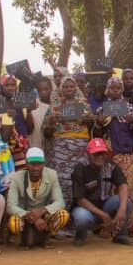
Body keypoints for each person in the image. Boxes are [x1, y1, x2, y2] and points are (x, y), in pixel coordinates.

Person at [95, 76, 133, 230]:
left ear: (122, 90)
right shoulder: (102, 109)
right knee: (108, 186)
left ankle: (128, 224)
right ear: (108, 90)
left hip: (128, 154)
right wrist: (99, 123)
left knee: (129, 187)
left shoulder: (130, 108)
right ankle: (109, 224)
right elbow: (97, 134)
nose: (115, 90)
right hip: (109, 153)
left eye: (118, 88)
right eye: (112, 88)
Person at [70, 137, 133, 246]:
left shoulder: (110, 165)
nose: (100, 157)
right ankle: (81, 235)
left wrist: (122, 209)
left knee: (125, 202)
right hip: (87, 209)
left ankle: (121, 235)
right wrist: (103, 215)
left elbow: (123, 185)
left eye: (103, 153)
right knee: (81, 217)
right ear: (88, 154)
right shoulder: (80, 168)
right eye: (96, 154)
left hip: (105, 205)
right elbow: (80, 200)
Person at [7, 147, 69, 249]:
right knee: (14, 223)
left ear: (43, 164)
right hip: (25, 215)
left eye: (39, 164)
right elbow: (10, 206)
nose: (36, 168)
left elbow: (60, 202)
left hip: (44, 215)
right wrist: (33, 217)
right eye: (32, 164)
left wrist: (43, 210)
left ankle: (48, 235)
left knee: (63, 215)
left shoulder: (52, 174)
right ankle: (22, 239)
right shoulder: (17, 177)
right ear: (26, 164)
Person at [46, 76, 94, 206]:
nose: (68, 89)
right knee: (61, 179)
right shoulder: (54, 106)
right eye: (65, 86)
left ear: (76, 88)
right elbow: (46, 132)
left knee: (78, 178)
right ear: (61, 88)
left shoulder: (83, 104)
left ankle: (78, 209)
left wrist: (86, 119)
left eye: (71, 86)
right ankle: (61, 210)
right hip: (60, 147)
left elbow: (91, 125)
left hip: (80, 146)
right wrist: (51, 121)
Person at [28, 75, 52, 151]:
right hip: (36, 146)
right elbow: (29, 129)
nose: (43, 92)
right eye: (40, 90)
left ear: (51, 89)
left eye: (46, 89)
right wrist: (29, 112)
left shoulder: (56, 105)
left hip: (52, 147)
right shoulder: (33, 104)